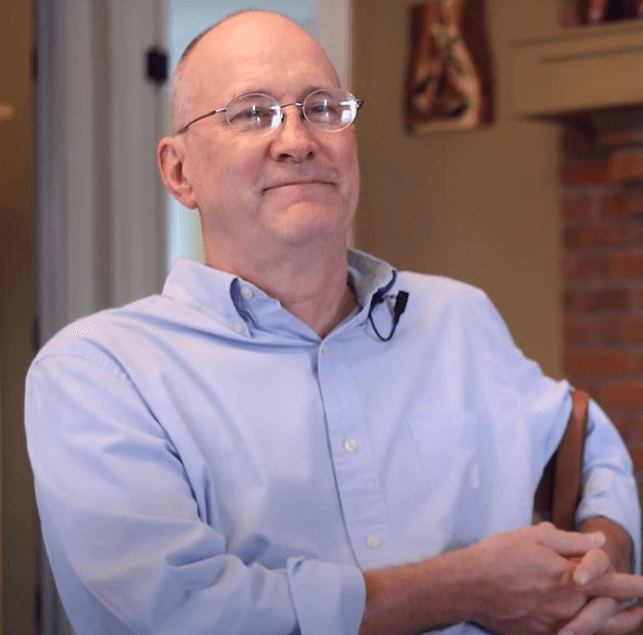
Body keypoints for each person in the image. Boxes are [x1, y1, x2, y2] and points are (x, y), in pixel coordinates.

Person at [24, 9, 643, 635]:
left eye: (322, 108)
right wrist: (470, 587)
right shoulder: (98, 374)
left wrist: (604, 555)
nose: (298, 139)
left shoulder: (458, 316)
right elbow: (190, 612)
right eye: (253, 113)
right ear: (179, 172)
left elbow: (583, 437)